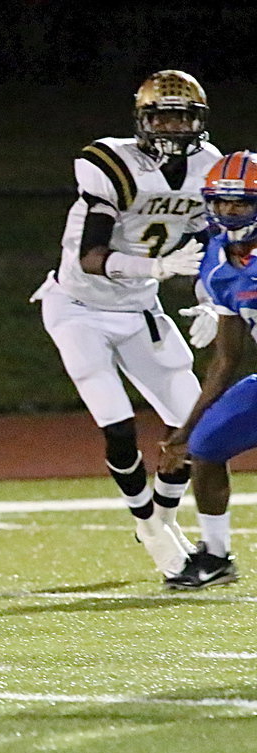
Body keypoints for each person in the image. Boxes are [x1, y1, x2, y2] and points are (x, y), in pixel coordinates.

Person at [30, 69, 222, 581]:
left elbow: (212, 249)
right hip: (78, 307)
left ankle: (158, 523)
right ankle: (149, 522)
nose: (174, 127)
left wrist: (210, 301)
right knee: (118, 426)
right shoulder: (112, 163)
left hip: (140, 310)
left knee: (194, 426)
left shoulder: (209, 167)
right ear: (143, 119)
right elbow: (93, 257)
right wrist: (155, 268)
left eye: (184, 117)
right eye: (163, 116)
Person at [157, 151, 257, 589]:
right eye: (220, 202)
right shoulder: (218, 261)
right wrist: (186, 425)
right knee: (207, 444)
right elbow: (226, 357)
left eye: (240, 203)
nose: (228, 212)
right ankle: (216, 557)